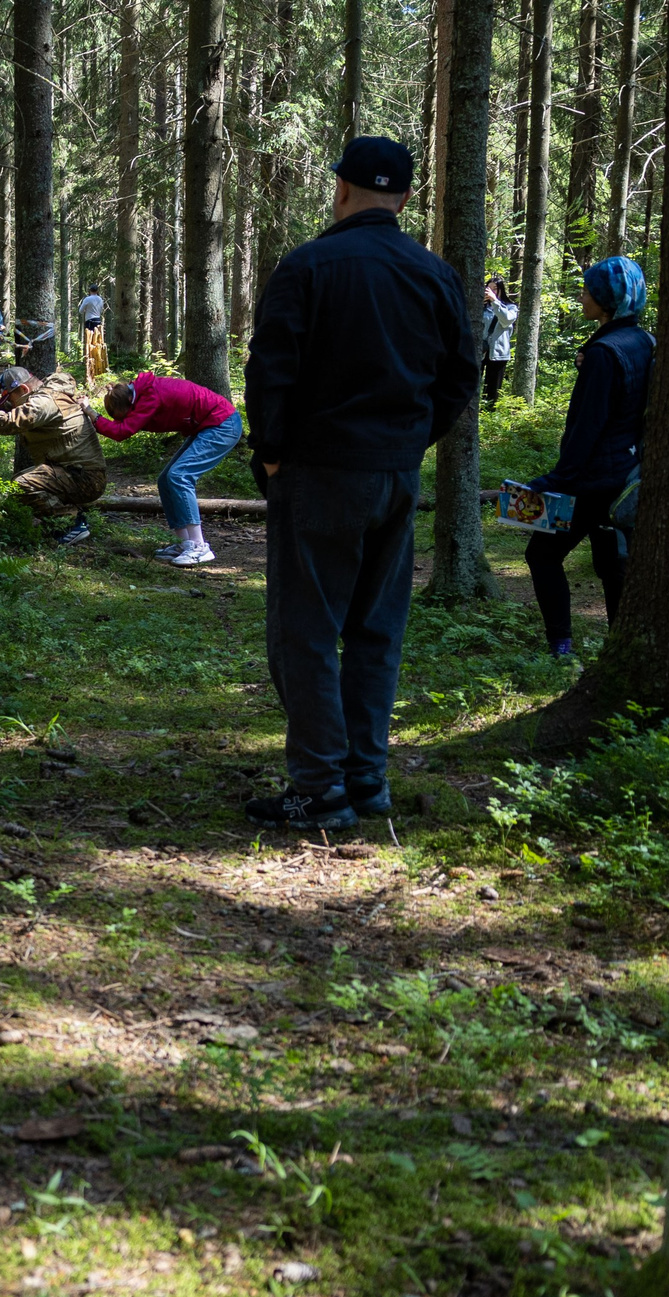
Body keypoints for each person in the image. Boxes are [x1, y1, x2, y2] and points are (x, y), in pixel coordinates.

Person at [242, 136, 475, 831]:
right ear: (405, 198)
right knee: (375, 628)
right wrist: (408, 440)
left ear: (341, 188)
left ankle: (320, 787)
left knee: (306, 630)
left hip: (319, 473)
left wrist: (275, 454)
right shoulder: (433, 274)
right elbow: (461, 376)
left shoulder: (308, 265)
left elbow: (269, 369)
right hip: (393, 475)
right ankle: (364, 779)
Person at [522, 257, 654, 659]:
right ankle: (620, 652)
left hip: (591, 483)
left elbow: (587, 428)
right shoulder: (644, 341)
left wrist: (554, 481)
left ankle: (561, 648)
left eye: (588, 291)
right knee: (613, 565)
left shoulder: (603, 353)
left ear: (607, 301)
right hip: (626, 479)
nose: (582, 296)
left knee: (541, 555)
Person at [96, 372, 244, 566]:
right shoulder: (140, 394)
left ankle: (199, 547)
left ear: (129, 403)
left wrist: (93, 415)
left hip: (222, 424)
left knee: (179, 476)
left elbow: (122, 432)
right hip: (208, 426)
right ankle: (184, 543)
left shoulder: (149, 397)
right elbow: (122, 426)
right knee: (165, 480)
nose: (125, 419)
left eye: (124, 415)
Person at [0, 365, 111, 544]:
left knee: (22, 485)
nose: (10, 404)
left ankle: (71, 523)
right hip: (78, 472)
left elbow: (8, 423)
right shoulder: (48, 396)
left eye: (9, 398)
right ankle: (67, 516)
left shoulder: (44, 402)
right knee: (20, 480)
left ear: (24, 389)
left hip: (84, 478)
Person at [482, 279, 518, 408]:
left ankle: (489, 415)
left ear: (501, 290)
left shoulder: (511, 307)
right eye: (489, 288)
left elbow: (506, 320)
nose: (491, 291)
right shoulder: (480, 307)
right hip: (479, 351)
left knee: (493, 389)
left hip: (498, 353)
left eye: (495, 288)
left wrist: (495, 302)